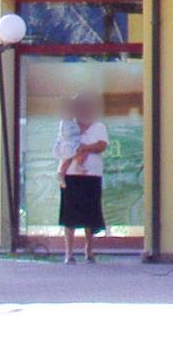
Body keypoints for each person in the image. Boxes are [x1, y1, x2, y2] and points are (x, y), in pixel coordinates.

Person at [56, 92, 108, 264]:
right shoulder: (68, 126)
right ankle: (69, 253)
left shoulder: (98, 126)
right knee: (69, 215)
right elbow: (63, 146)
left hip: (92, 175)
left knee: (90, 214)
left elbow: (101, 145)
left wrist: (83, 148)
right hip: (71, 175)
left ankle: (89, 250)